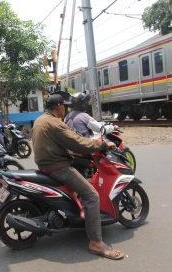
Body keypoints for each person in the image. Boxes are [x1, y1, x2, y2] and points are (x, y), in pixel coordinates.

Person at [33, 92, 124, 260]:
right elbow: (77, 142)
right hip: (57, 167)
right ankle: (96, 243)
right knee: (91, 195)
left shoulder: (41, 120)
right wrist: (103, 145)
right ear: (59, 106)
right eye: (64, 106)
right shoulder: (55, 123)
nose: (66, 109)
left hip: (46, 164)